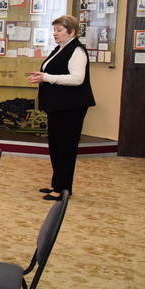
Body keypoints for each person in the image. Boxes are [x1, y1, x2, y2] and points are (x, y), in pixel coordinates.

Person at [26, 15, 95, 202]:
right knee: (56, 146)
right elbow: (54, 72)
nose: (55, 34)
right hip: (59, 106)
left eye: (59, 30)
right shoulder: (61, 48)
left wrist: (46, 77)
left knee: (66, 148)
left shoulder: (77, 50)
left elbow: (77, 79)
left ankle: (63, 188)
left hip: (71, 107)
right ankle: (57, 183)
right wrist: (41, 76)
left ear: (71, 32)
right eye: (54, 30)